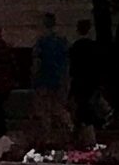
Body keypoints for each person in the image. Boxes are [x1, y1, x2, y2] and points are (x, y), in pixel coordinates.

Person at [31, 12, 72, 145]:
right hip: (59, 79)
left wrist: (33, 77)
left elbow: (36, 61)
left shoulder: (41, 41)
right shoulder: (62, 40)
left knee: (45, 110)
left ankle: (48, 136)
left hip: (44, 79)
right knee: (59, 107)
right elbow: (66, 61)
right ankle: (69, 128)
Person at [68, 17, 107, 142]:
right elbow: (99, 66)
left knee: (81, 110)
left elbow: (72, 68)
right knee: (87, 109)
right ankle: (88, 137)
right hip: (91, 82)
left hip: (80, 83)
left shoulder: (75, 47)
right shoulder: (94, 47)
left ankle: (83, 137)